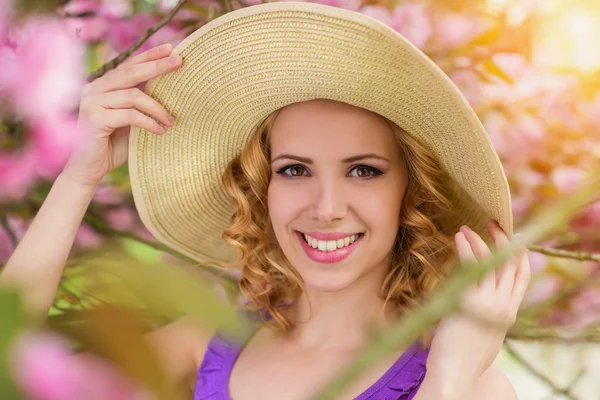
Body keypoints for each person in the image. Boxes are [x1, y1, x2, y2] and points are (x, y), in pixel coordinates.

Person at [1, 2, 531, 399]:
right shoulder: (208, 346)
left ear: (409, 194)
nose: (326, 207)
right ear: (263, 191)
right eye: (294, 169)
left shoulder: (472, 383)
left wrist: (447, 380)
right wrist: (78, 175)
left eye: (364, 171)